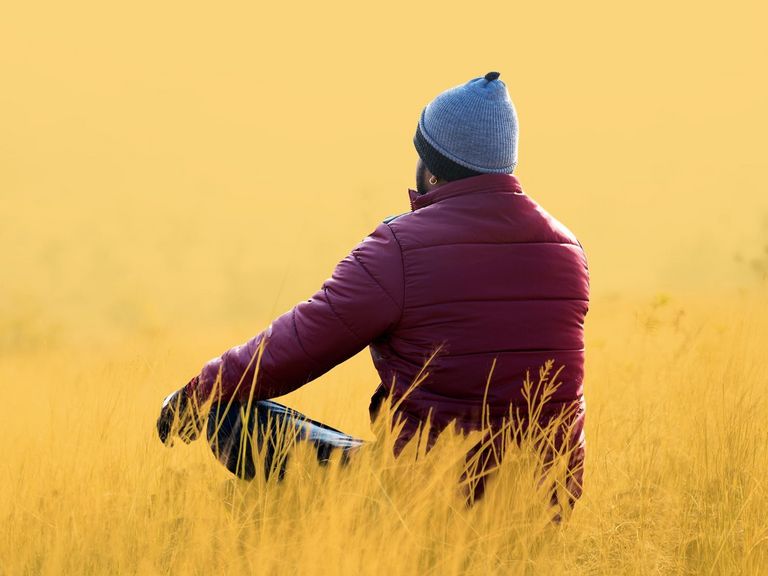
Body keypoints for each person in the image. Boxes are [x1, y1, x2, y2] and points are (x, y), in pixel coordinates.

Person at [157, 71, 590, 511]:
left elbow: (296, 344)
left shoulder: (400, 247)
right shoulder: (568, 248)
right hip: (545, 503)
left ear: (432, 167)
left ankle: (306, 528)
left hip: (427, 498)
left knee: (226, 412)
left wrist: (198, 391)